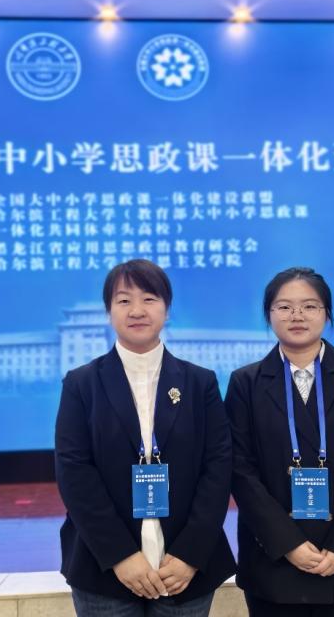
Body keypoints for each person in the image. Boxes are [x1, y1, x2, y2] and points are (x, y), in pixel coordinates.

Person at [55, 259, 236, 617]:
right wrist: (120, 556)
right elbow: (74, 472)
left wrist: (189, 554)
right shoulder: (81, 384)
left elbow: (218, 468)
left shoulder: (199, 383)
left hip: (183, 570)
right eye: (124, 300)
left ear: (167, 309)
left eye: (149, 299)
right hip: (104, 569)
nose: (137, 310)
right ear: (109, 311)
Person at [225, 267, 334, 616]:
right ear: (269, 314)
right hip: (275, 566)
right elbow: (240, 469)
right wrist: (287, 544)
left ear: (326, 313)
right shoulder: (246, 383)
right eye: (284, 307)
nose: (297, 315)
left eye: (309, 306)